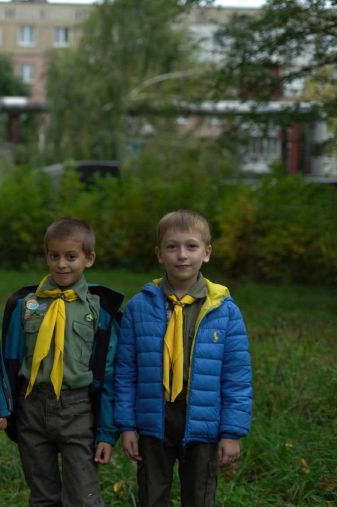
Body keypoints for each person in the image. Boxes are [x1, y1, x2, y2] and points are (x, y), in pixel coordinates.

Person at [115, 210, 252, 507]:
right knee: (151, 494)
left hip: (204, 418)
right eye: (172, 246)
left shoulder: (225, 310)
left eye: (191, 246)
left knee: (200, 496)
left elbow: (236, 376)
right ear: (159, 253)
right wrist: (126, 425)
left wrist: (232, 432)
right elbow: (125, 371)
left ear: (207, 253)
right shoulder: (139, 307)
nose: (182, 255)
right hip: (154, 416)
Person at [0, 218, 122, 507]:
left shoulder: (100, 311)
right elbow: (7, 358)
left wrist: (108, 432)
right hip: (32, 406)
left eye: (71, 257)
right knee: (42, 495)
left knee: (82, 496)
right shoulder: (26, 305)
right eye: (54, 256)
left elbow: (110, 374)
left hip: (78, 409)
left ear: (89, 258)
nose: (61, 264)